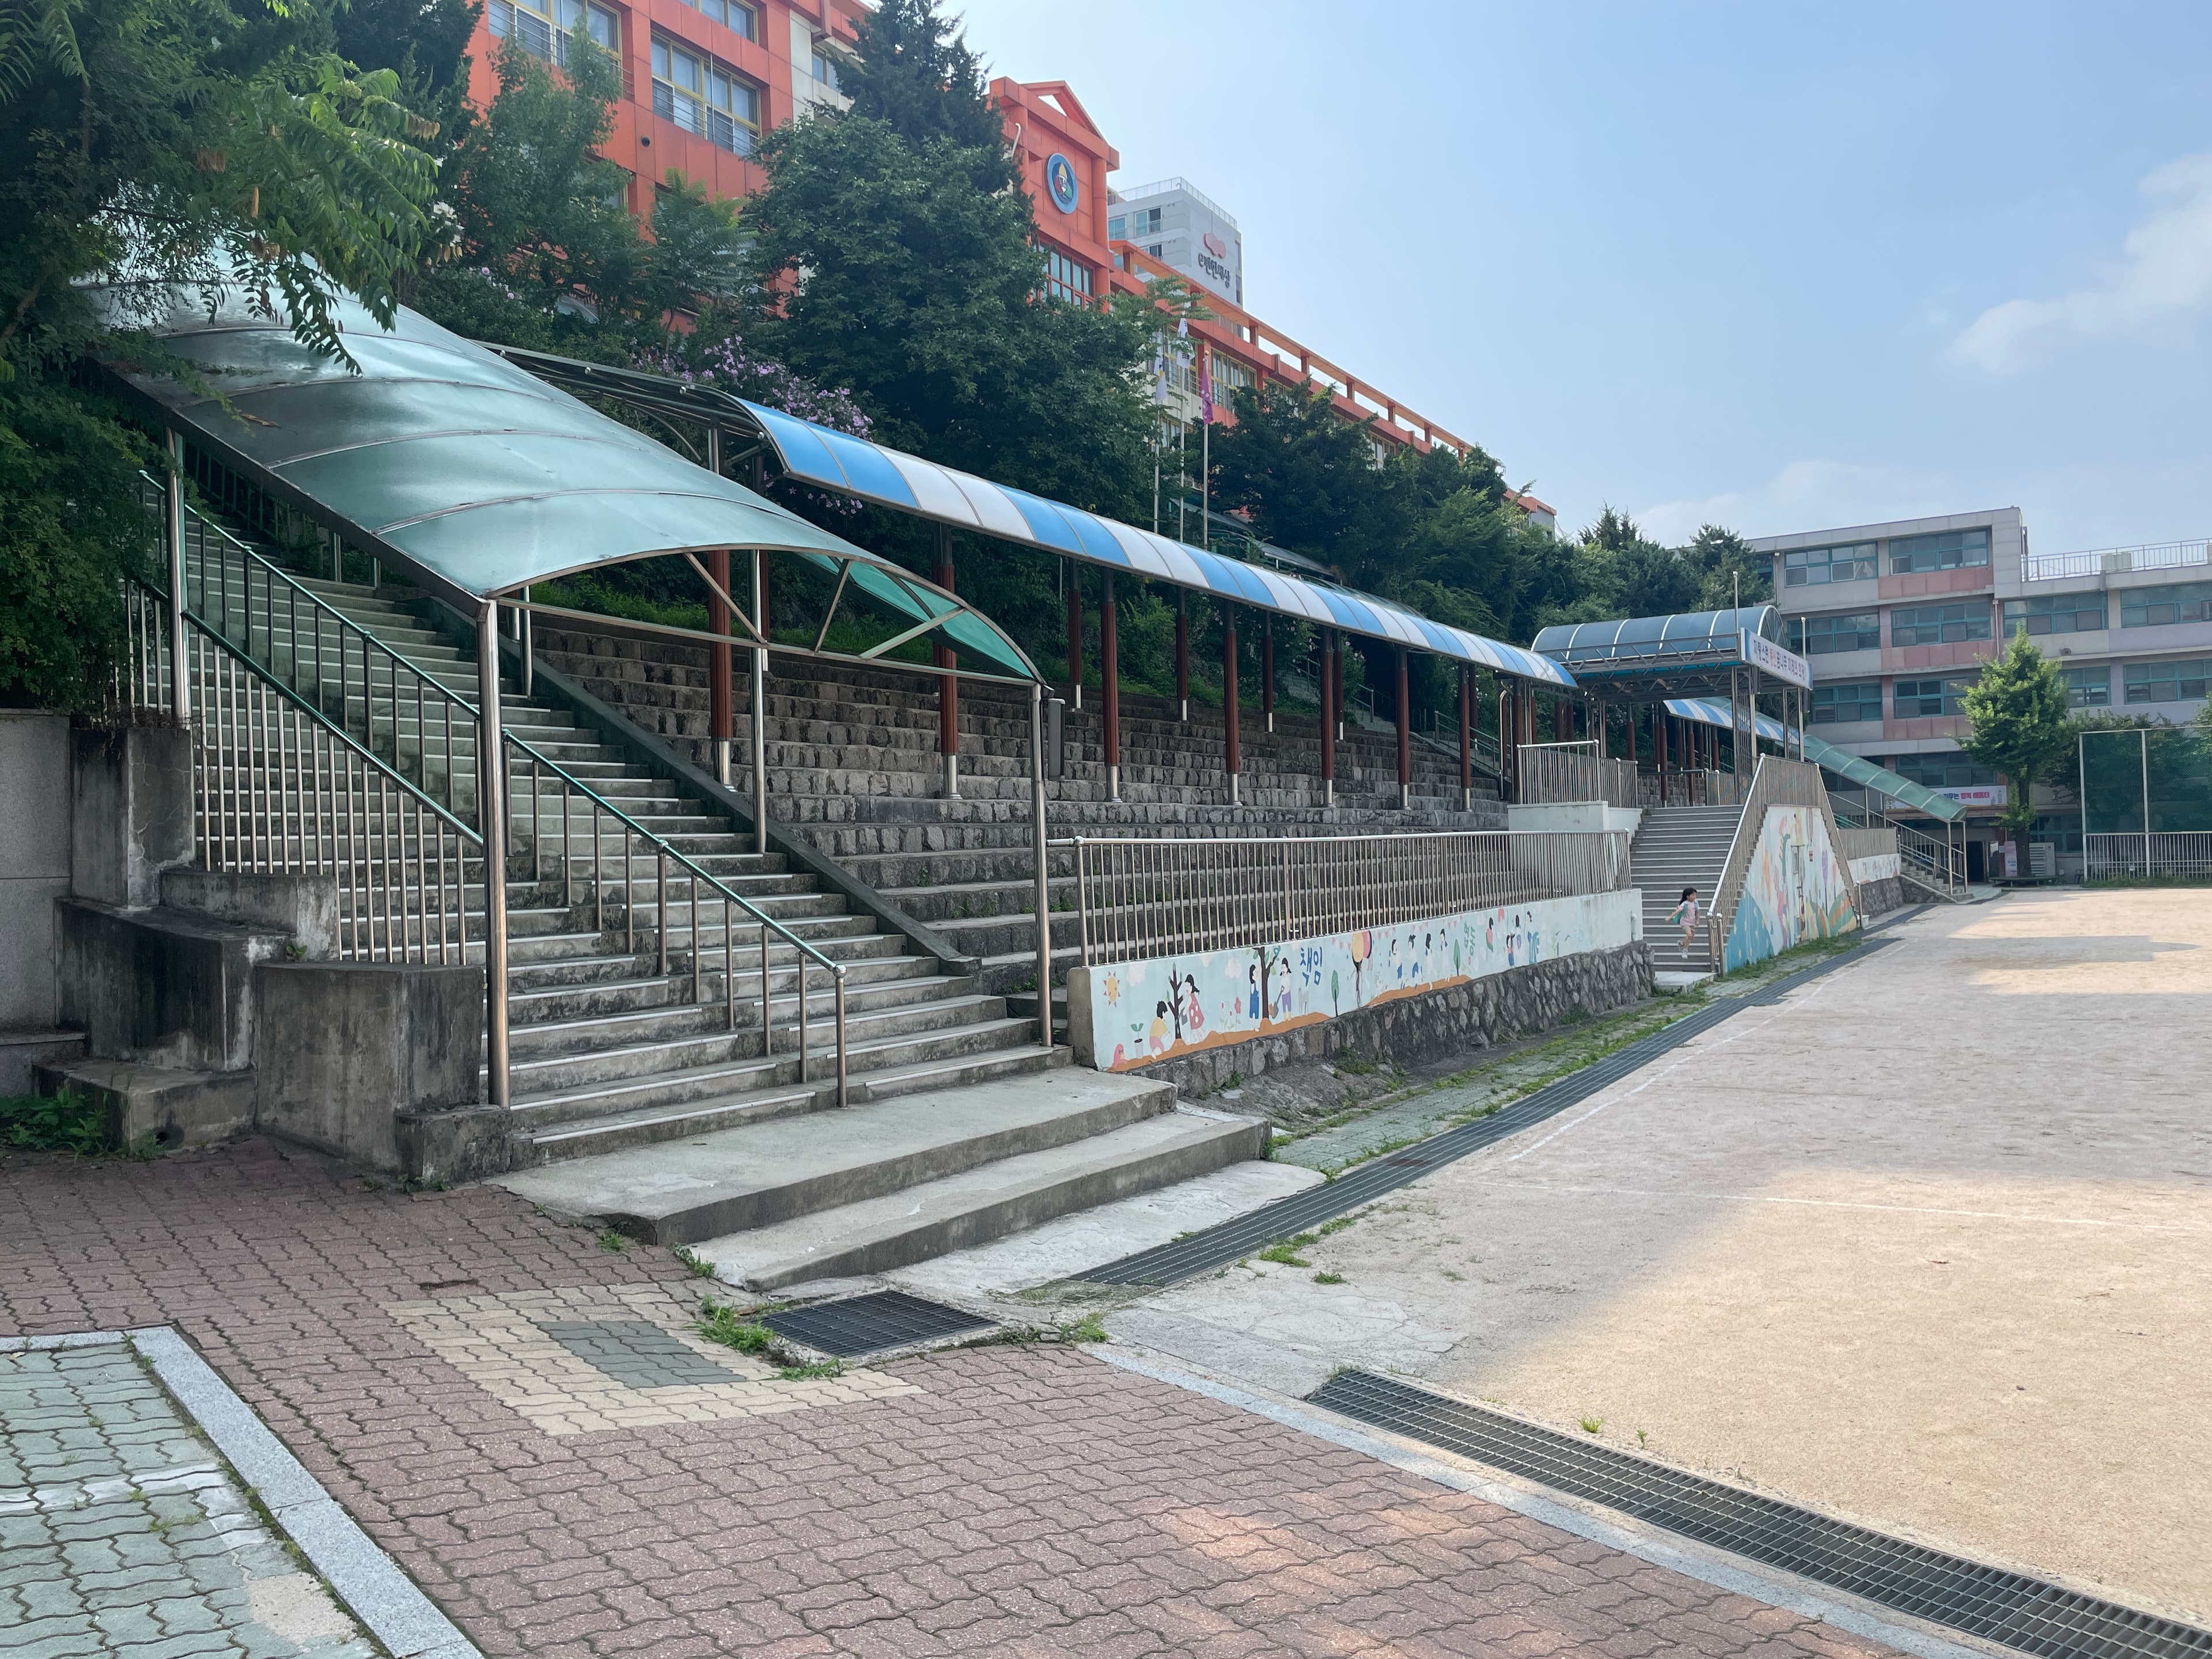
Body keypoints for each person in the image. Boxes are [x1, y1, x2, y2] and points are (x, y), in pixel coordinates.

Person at [1669, 887, 1700, 951]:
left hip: (1692, 922)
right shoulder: (1685, 904)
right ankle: (1685, 950)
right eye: (1693, 895)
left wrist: (1697, 921)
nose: (1695, 897)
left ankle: (1682, 943)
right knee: (1690, 936)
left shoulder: (1696, 903)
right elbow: (1678, 911)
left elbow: (1697, 913)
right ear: (1687, 897)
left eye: (1695, 895)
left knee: (1691, 937)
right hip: (1685, 923)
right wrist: (1670, 917)